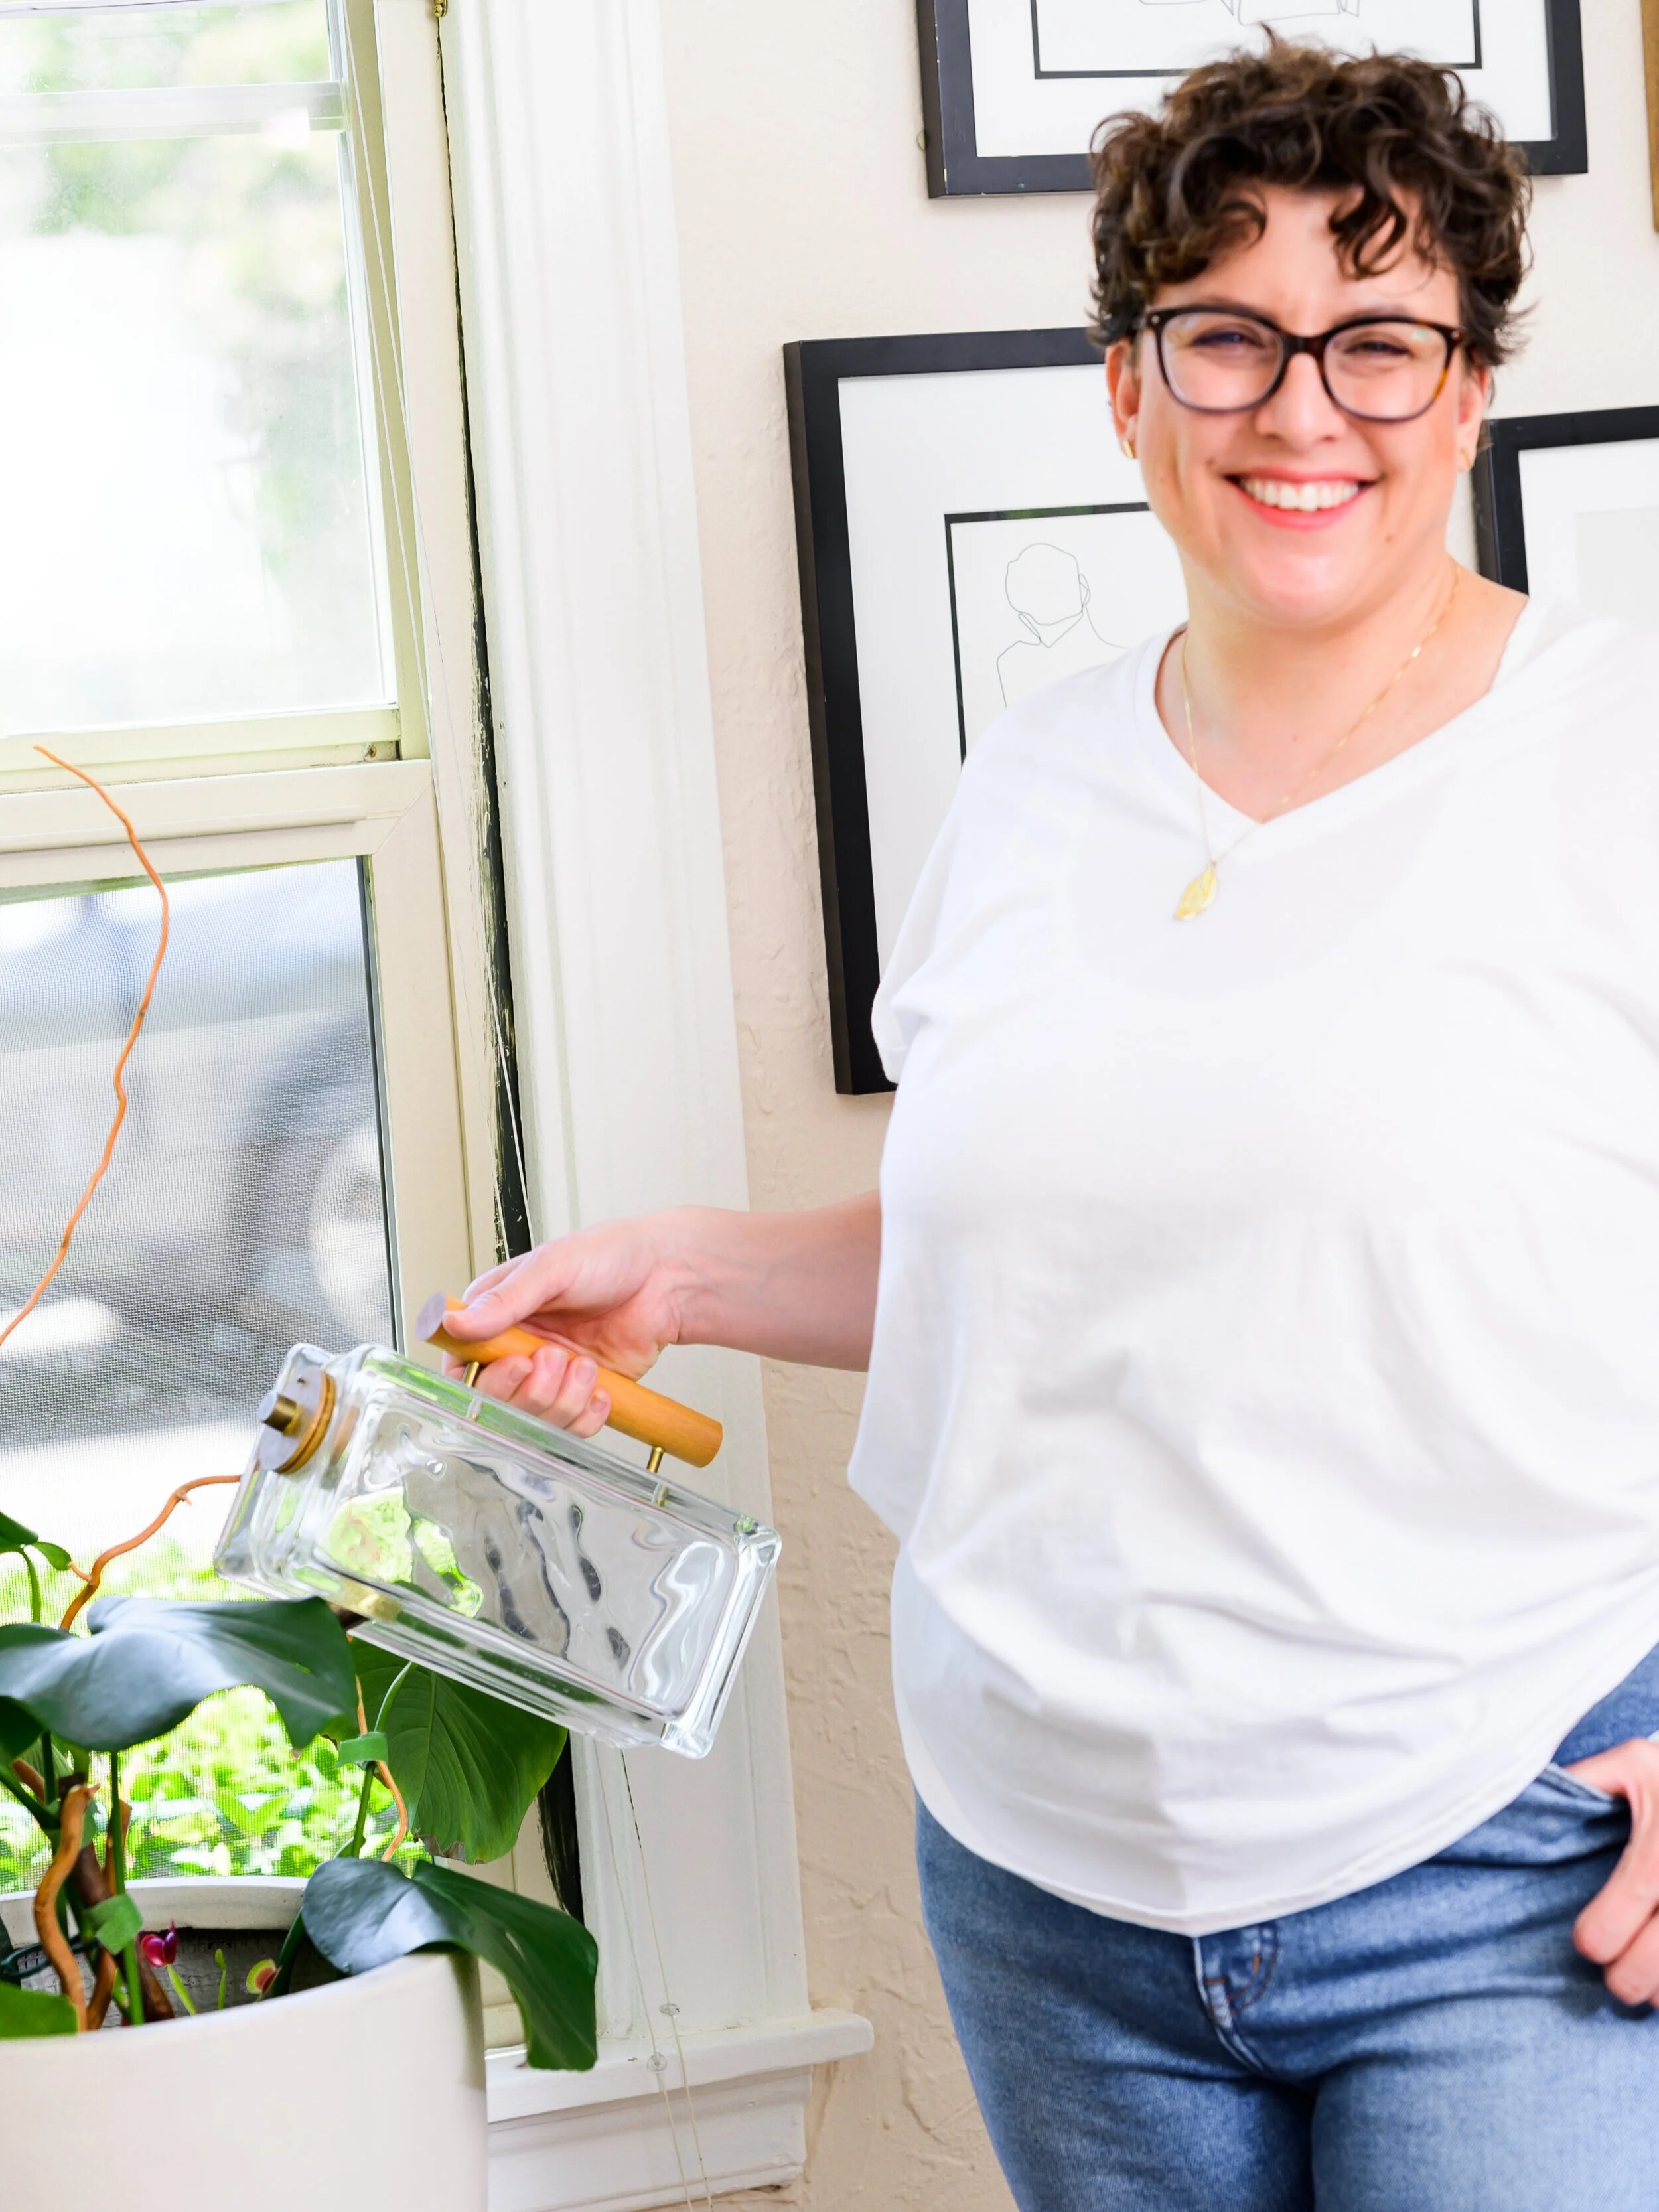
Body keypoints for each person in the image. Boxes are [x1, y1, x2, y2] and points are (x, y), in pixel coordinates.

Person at [441, 44, 1659, 2212]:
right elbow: (1042, 1244)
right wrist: (688, 1273)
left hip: (1501, 1853)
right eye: (1228, 335)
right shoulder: (1029, 782)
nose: (1301, 410)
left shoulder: (1613, 759)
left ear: (1467, 390)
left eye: (1377, 341)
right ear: (1126, 387)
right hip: (1043, 1878)